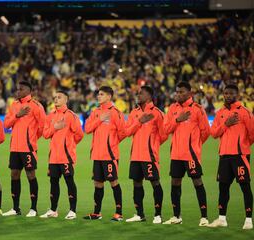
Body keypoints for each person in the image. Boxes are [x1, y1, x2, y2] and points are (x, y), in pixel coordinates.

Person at [163, 81, 210, 226]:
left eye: (181, 92)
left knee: (197, 182)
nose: (178, 94)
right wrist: (178, 120)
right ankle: (176, 216)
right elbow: (165, 129)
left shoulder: (197, 109)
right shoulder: (172, 108)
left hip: (191, 155)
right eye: (177, 92)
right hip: (176, 154)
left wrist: (194, 146)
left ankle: (204, 217)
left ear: (190, 93)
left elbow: (206, 132)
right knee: (175, 182)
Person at [208, 84, 254, 230]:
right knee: (223, 188)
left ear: (237, 94)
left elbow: (252, 133)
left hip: (240, 156)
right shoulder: (220, 112)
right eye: (225, 93)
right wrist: (225, 124)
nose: (228, 95)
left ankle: (248, 220)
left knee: (245, 187)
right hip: (224, 156)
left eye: (231, 93)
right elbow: (214, 133)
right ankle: (222, 218)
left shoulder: (244, 112)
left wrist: (243, 146)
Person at [125, 86, 168, 224]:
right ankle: (139, 214)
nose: (138, 95)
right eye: (138, 93)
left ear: (149, 96)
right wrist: (139, 122)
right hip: (135, 155)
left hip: (149, 156)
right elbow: (127, 132)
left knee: (155, 182)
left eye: (141, 93)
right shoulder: (134, 113)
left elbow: (164, 135)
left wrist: (152, 146)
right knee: (136, 183)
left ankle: (158, 215)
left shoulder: (157, 113)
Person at [3, 81, 46, 217]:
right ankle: (16, 208)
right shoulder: (14, 105)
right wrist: (17, 115)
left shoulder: (36, 106)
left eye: (21, 89)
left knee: (30, 175)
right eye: (17, 89)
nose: (18, 91)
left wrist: (31, 139)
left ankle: (33, 209)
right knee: (14, 175)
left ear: (28, 90)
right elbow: (6, 124)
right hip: (14, 148)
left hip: (28, 148)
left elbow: (42, 127)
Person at [83, 86, 126, 221]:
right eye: (98, 94)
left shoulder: (116, 113)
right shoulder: (95, 112)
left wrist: (112, 143)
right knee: (98, 183)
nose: (98, 96)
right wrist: (100, 119)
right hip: (97, 155)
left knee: (113, 182)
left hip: (110, 155)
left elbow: (123, 133)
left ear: (109, 96)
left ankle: (119, 213)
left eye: (101, 94)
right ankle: (97, 213)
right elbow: (88, 129)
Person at [41, 90, 83, 219]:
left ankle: (72, 210)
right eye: (55, 97)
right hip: (53, 157)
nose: (56, 99)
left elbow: (79, 135)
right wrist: (55, 127)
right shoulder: (50, 116)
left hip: (66, 156)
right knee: (54, 182)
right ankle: (53, 210)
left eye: (59, 97)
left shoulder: (71, 115)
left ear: (66, 100)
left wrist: (69, 146)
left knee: (69, 181)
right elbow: (45, 134)